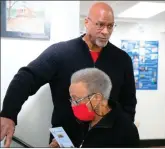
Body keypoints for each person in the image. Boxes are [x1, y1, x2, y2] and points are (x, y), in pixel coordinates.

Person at [0, 2, 137, 148]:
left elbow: (128, 104)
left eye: (110, 26)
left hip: (106, 142)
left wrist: (123, 134)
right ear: (87, 22)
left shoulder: (122, 60)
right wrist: (8, 114)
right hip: (63, 142)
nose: (105, 31)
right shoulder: (61, 53)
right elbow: (27, 77)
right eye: (100, 24)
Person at [49, 68, 140, 148]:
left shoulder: (125, 131)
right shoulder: (80, 120)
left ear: (97, 98)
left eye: (77, 100)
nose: (73, 105)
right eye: (71, 99)